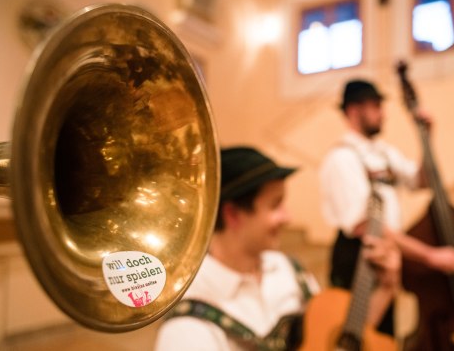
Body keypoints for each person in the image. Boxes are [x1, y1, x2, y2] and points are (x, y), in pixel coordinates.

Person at [154, 146, 399, 351]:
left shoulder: (286, 268)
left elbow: (339, 340)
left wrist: (386, 288)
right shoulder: (186, 329)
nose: (288, 217)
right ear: (233, 215)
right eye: (275, 205)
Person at [319, 79, 454, 336]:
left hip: (387, 255)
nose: (382, 113)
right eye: (375, 106)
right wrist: (429, 256)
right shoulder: (341, 159)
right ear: (353, 111)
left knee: (382, 338)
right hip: (358, 258)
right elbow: (367, 227)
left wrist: (426, 138)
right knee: (356, 336)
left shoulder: (384, 153)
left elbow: (422, 180)